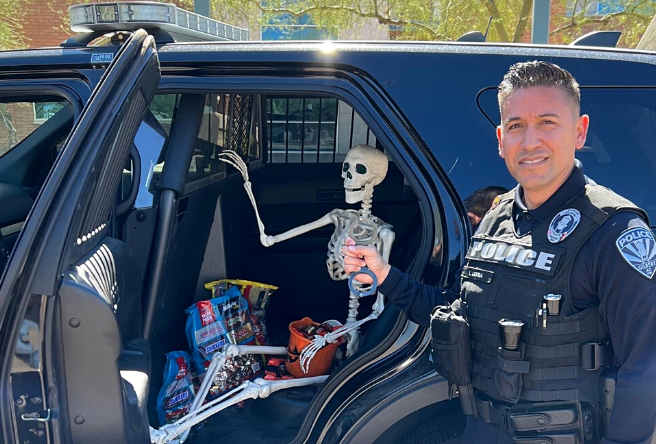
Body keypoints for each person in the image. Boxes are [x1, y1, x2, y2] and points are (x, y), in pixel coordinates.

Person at [342, 61, 656, 444]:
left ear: (579, 131)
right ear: (500, 138)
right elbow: (453, 311)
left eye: (547, 122)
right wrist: (385, 275)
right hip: (482, 430)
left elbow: (645, 366)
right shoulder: (495, 218)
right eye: (516, 125)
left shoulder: (613, 231)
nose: (530, 141)